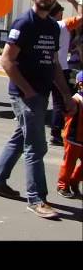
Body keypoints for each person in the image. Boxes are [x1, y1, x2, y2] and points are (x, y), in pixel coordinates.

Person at [0, 0, 75, 219]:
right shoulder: (24, 23)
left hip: (41, 93)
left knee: (20, 138)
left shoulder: (51, 27)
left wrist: (66, 94)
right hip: (26, 94)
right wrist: (29, 92)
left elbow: (54, 63)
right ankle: (37, 198)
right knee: (36, 145)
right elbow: (6, 60)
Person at [48, 0, 82, 146]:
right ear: (58, 13)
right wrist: (74, 2)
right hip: (60, 68)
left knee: (43, 100)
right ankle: (58, 133)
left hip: (43, 68)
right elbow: (81, 17)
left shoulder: (42, 25)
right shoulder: (62, 25)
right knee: (61, 102)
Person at [56, 71, 83, 199]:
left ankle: (74, 180)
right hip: (73, 138)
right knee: (69, 164)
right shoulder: (75, 100)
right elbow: (66, 114)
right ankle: (62, 185)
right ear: (80, 85)